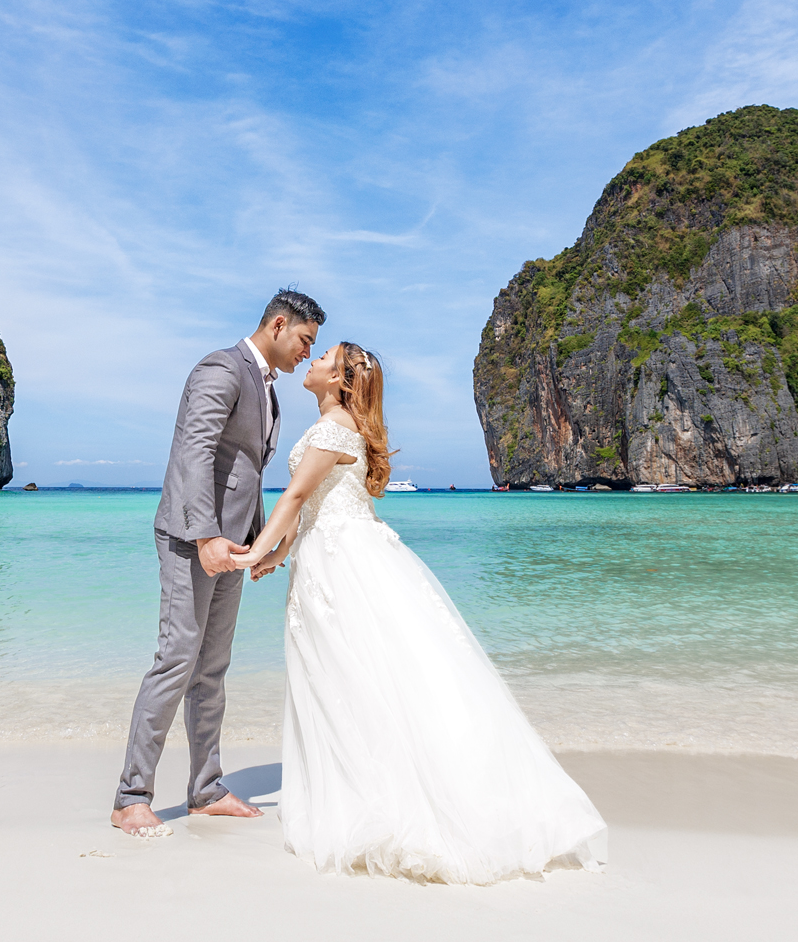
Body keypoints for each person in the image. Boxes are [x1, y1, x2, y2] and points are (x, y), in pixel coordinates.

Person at [236, 341, 606, 883]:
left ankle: (382, 805)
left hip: (342, 568)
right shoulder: (339, 428)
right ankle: (362, 793)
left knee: (351, 679)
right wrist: (279, 553)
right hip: (334, 555)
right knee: (347, 677)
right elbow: (314, 505)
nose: (311, 362)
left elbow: (293, 498)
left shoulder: (332, 429)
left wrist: (249, 552)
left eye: (324, 358)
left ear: (339, 380)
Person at [111, 289, 323, 838]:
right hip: (192, 539)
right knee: (176, 660)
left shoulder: (266, 387)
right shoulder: (221, 368)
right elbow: (195, 451)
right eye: (305, 340)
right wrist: (206, 535)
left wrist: (255, 541)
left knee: (211, 669)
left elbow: (242, 469)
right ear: (279, 325)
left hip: (230, 544)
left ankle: (205, 788)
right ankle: (131, 796)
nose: (306, 352)